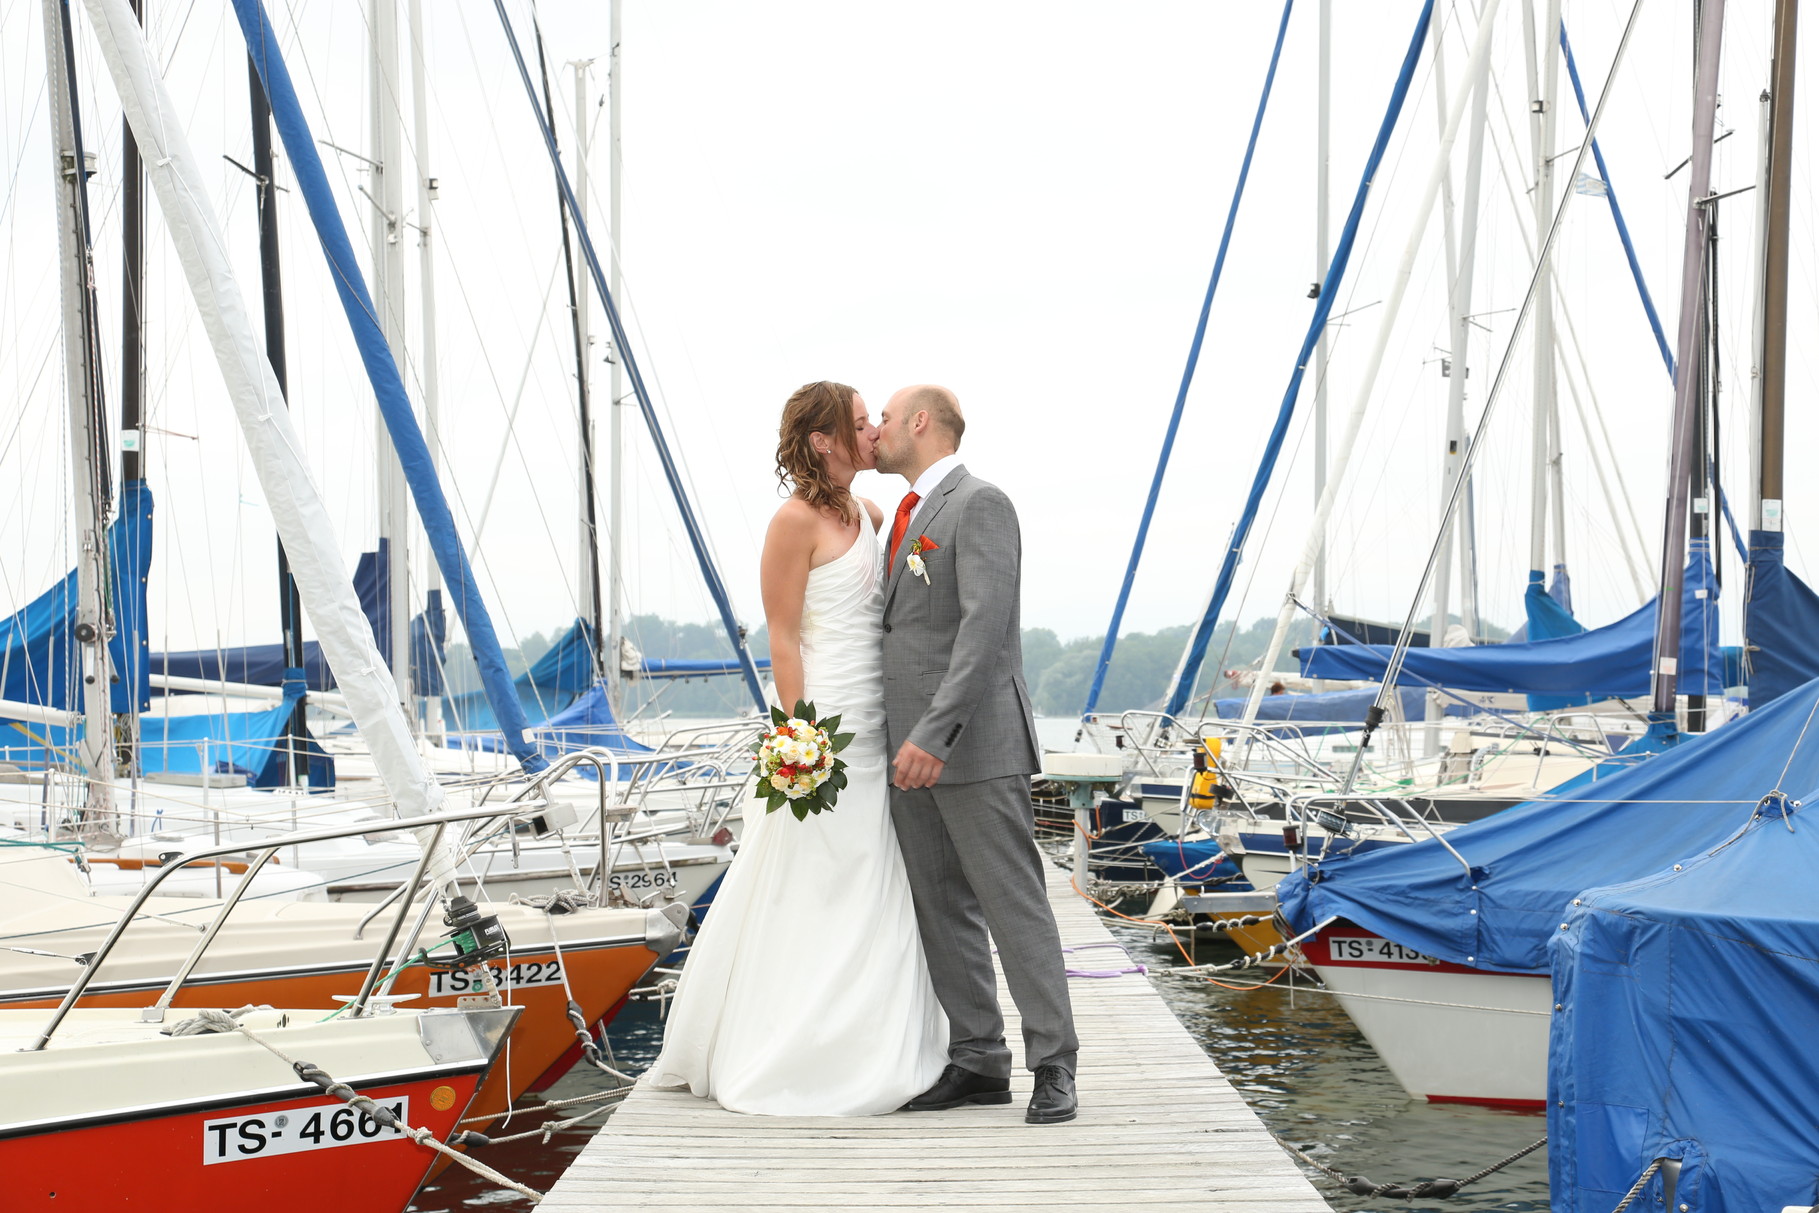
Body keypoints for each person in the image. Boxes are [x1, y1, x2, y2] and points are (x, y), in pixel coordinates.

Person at [640, 380, 947, 1115]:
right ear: (823, 440)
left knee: (877, 877)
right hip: (825, 722)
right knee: (814, 874)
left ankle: (880, 1031)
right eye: (862, 421)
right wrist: (799, 734)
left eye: (876, 419)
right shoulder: (792, 521)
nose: (874, 430)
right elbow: (781, 636)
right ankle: (787, 1041)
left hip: (881, 717)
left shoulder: (872, 512)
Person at [872, 384, 1080, 1125]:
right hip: (902, 751)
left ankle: (1054, 1063)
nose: (877, 430)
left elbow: (983, 630)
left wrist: (936, 731)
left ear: (921, 422)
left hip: (971, 744)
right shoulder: (898, 518)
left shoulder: (979, 503)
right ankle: (978, 1059)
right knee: (940, 907)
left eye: (886, 419)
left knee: (1012, 906)